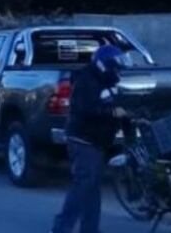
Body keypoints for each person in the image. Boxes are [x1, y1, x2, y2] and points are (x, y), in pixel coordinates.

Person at [51, 45, 129, 233]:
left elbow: (115, 106)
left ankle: (90, 229)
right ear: (104, 65)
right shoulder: (86, 81)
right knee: (83, 184)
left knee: (92, 188)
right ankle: (61, 228)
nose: (118, 72)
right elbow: (85, 110)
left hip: (97, 140)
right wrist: (112, 112)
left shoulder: (106, 81)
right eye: (115, 67)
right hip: (83, 139)